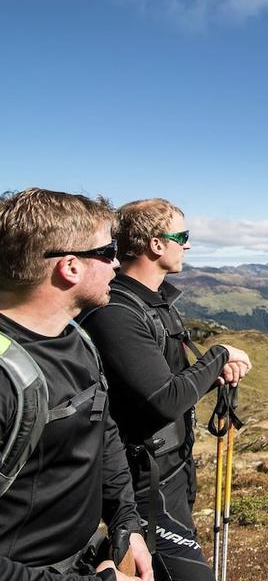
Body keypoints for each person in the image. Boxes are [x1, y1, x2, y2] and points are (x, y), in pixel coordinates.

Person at [81, 198, 252, 581]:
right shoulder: (118, 312)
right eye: (182, 236)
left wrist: (212, 376)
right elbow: (162, 401)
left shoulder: (154, 304)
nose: (187, 245)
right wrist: (218, 356)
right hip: (144, 482)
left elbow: (162, 385)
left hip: (171, 472)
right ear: (156, 244)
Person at [0, 188, 153, 581]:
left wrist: (126, 522)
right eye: (107, 252)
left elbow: (101, 429)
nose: (117, 264)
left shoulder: (77, 338)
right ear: (70, 266)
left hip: (85, 562)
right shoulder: (5, 379)